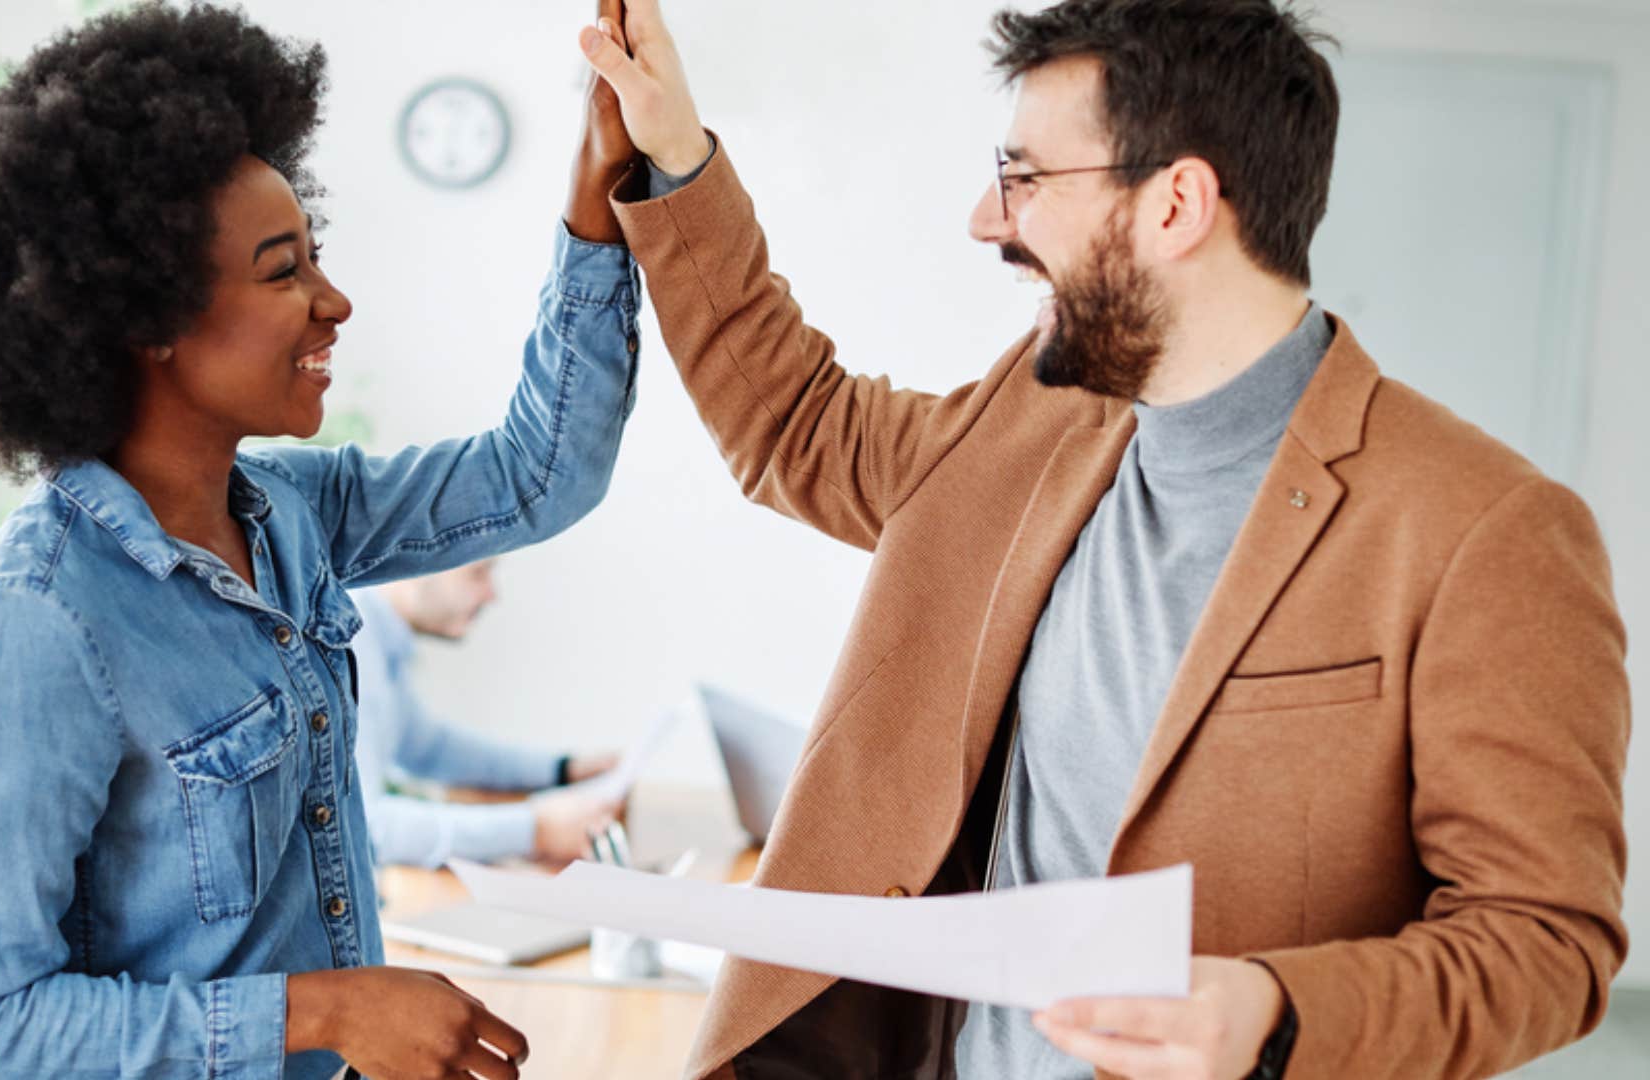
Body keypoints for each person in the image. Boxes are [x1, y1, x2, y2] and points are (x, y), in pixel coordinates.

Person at [574, 1, 1631, 1077]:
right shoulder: (1033, 417)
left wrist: (1277, 1009)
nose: (988, 219)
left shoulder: (1488, 529)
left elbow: (1547, 940)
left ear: (1176, 203)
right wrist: (676, 154)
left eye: (1025, 178)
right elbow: (797, 425)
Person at [0, 4, 644, 1079]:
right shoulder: (41, 620)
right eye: (283, 269)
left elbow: (540, 474)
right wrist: (319, 1013)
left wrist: (595, 199)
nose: (334, 302)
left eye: (315, 258)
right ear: (150, 317)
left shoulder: (295, 512)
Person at [349, 559, 624, 869]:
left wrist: (563, 769)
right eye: (478, 572)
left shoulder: (379, 643)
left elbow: (431, 749)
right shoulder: (352, 644)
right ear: (415, 563)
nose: (492, 594)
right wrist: (535, 829)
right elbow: (366, 825)